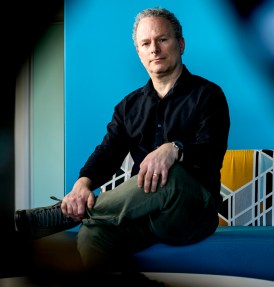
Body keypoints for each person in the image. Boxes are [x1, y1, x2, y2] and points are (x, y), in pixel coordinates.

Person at [15, 6, 230, 282]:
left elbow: (212, 149)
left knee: (168, 174)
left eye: (162, 39)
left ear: (180, 44)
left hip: (191, 211)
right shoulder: (129, 106)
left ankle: (68, 214)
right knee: (93, 231)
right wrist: (83, 183)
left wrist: (174, 149)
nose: (154, 49)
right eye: (146, 43)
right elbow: (108, 151)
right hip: (141, 215)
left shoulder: (208, 95)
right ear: (139, 53)